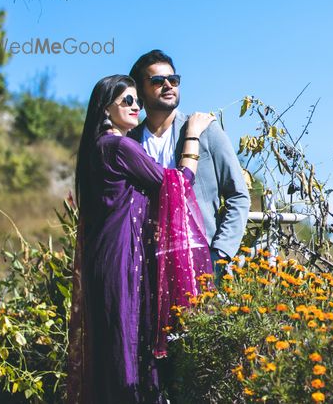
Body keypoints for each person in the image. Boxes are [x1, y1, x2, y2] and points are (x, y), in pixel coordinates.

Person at [67, 74, 215, 403]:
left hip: (104, 257)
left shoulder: (95, 148)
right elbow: (175, 181)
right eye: (127, 101)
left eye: (137, 100)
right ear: (106, 109)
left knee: (112, 344)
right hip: (122, 257)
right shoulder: (119, 146)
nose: (137, 107)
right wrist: (191, 135)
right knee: (126, 342)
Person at [127, 50, 251, 268]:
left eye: (173, 79)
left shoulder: (205, 130)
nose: (168, 85)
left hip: (200, 258)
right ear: (140, 92)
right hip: (146, 262)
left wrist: (220, 253)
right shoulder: (130, 142)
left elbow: (238, 195)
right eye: (157, 81)